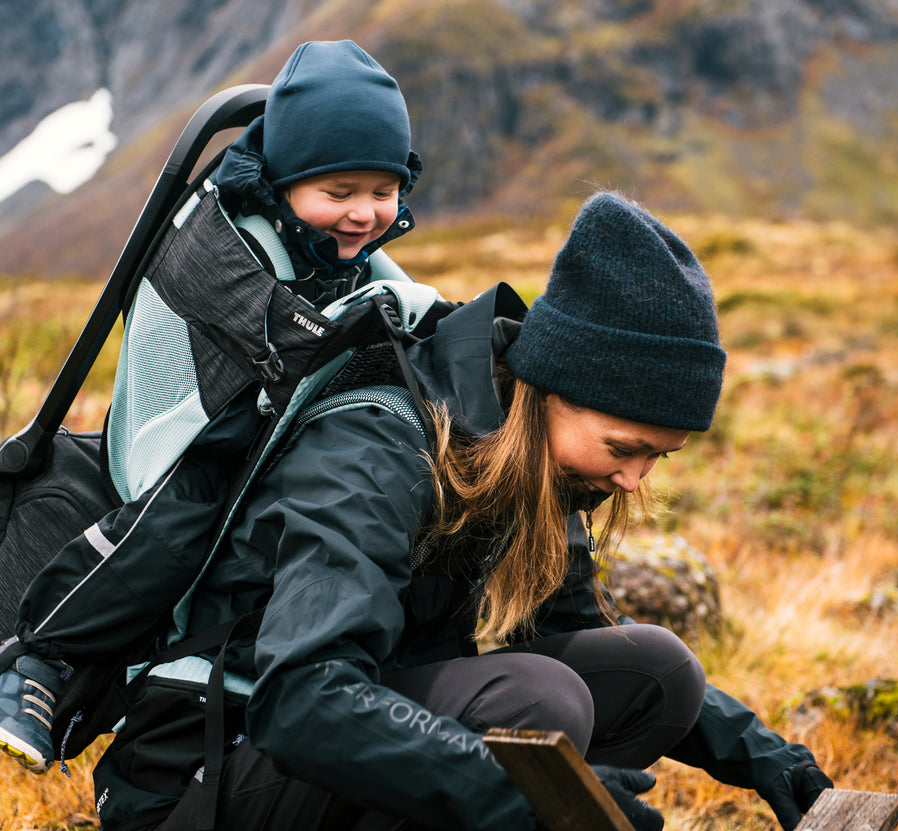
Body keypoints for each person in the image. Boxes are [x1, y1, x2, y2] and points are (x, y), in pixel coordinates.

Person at [88, 192, 833, 831]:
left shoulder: (535, 456)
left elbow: (568, 630)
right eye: (625, 446)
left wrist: (764, 755)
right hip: (206, 776)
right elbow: (302, 701)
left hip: (326, 745)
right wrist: (527, 800)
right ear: (553, 385)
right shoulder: (378, 445)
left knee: (658, 674)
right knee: (537, 706)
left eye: (658, 457)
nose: (635, 480)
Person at [0, 40, 425, 775]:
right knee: (183, 517)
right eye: (342, 191)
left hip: (245, 424)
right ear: (287, 181)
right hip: (174, 444)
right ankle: (39, 662)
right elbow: (299, 336)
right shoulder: (232, 238)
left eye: (384, 192)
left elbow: (406, 297)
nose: (365, 214)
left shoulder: (327, 236)